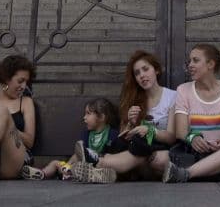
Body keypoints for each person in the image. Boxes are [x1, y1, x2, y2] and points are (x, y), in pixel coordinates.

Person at [72, 50, 179, 184]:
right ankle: (99, 170)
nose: (142, 75)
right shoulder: (135, 100)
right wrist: (130, 124)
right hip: (138, 156)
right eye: (137, 73)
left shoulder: (172, 97)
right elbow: (124, 139)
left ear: (156, 70)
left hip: (161, 155)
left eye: (145, 69)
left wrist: (149, 130)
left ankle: (97, 163)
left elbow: (171, 137)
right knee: (139, 148)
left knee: (157, 157)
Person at [160, 44, 220, 183]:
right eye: (190, 61)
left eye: (195, 60)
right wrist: (193, 138)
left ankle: (186, 174)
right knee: (158, 159)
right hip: (193, 152)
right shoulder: (183, 90)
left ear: (210, 64)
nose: (190, 65)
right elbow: (181, 132)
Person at [42, 98, 120, 180]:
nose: (84, 117)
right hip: (81, 166)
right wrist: (68, 165)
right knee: (55, 163)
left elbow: (113, 157)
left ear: (101, 117)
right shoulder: (87, 134)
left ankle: (79, 174)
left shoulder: (112, 134)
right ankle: (42, 173)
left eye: (88, 114)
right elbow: (78, 154)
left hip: (98, 167)